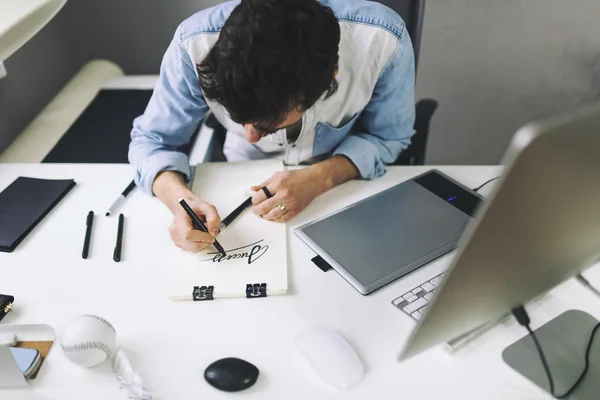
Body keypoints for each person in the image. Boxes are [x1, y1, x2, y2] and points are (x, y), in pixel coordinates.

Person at [129, 0, 416, 252]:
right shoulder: (194, 44)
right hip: (239, 172)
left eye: (266, 126)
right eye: (239, 118)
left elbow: (388, 137)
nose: (251, 137)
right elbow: (151, 142)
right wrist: (180, 200)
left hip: (341, 186)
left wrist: (320, 178)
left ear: (330, 79)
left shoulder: (384, 40)